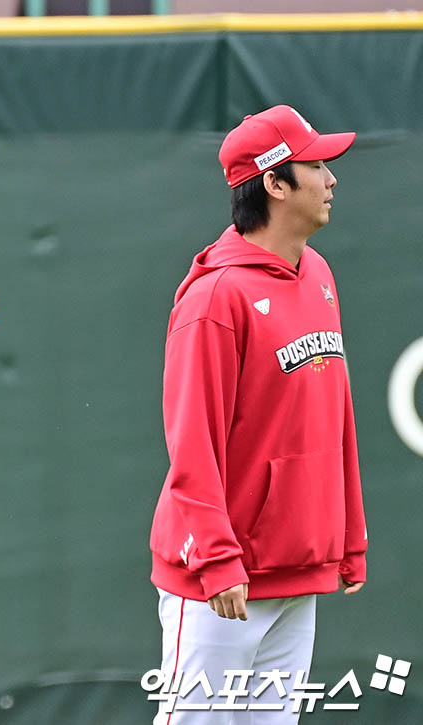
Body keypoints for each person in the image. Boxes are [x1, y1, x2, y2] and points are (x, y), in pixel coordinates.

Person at [148, 105, 368, 723]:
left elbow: (335, 417)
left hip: (297, 568)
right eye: (316, 165)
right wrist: (217, 559)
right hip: (222, 581)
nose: (331, 179)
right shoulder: (215, 297)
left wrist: (347, 536)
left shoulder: (318, 273)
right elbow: (193, 440)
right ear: (274, 183)